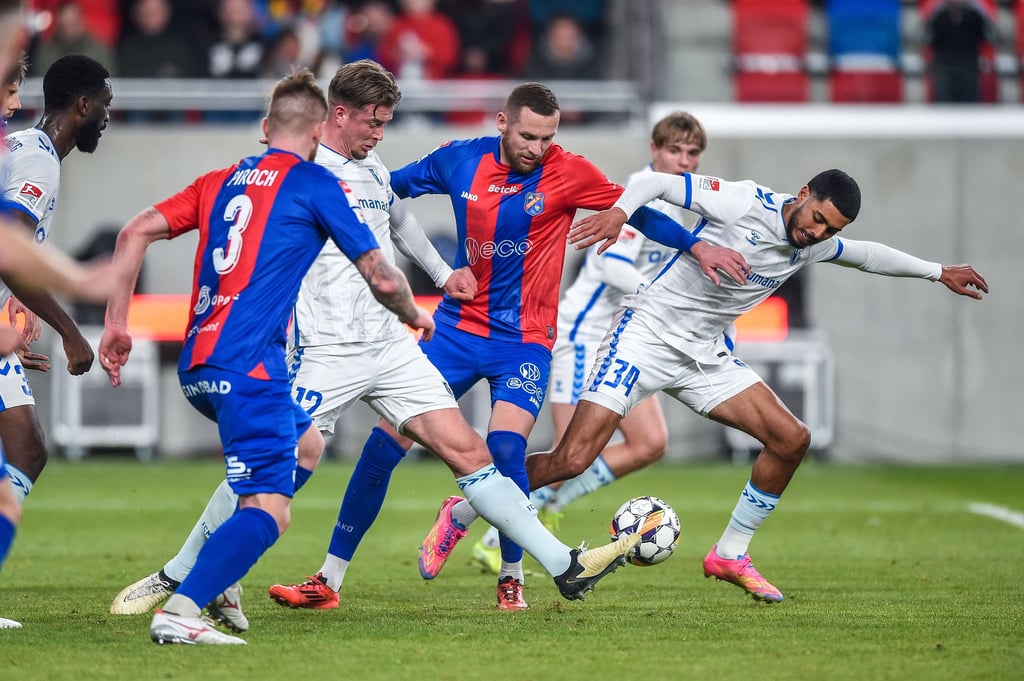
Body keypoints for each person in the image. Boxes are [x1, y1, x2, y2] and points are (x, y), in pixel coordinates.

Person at [108, 59, 642, 624]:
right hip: (329, 349)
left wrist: (441, 277)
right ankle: (181, 572)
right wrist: (416, 309)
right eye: (374, 123)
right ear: (338, 116)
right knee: (282, 460)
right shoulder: (303, 172)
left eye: (386, 123)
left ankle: (565, 565)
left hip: (390, 347)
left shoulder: (368, 165)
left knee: (471, 453)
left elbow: (397, 217)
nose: (380, 134)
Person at [282, 82, 747, 611]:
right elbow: (389, 192)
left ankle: (511, 576)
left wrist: (696, 243)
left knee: (505, 450)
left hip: (524, 340)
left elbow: (635, 211)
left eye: (547, 137)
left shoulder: (569, 171)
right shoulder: (460, 160)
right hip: (457, 330)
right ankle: (329, 579)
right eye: (528, 134)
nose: (537, 147)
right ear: (502, 122)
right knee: (384, 444)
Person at [524, 168, 989, 602]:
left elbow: (867, 255)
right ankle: (468, 507)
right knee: (572, 459)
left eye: (831, 230)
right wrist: (620, 212)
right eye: (818, 219)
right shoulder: (744, 202)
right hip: (644, 337)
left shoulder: (812, 245)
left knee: (791, 439)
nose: (819, 233)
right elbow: (652, 180)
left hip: (702, 355)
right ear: (803, 195)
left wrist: (938, 270)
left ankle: (729, 553)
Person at [469, 111, 710, 573]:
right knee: (569, 454)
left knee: (650, 443)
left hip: (626, 339)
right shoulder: (645, 192)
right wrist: (655, 295)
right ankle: (492, 533)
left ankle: (542, 511)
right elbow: (613, 264)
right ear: (654, 150)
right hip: (583, 333)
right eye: (674, 150)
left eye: (692, 152)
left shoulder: (689, 201)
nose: (683, 160)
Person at [0, 55, 111, 526]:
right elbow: (9, 248)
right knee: (27, 450)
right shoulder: (38, 159)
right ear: (83, 105)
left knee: (26, 449)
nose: (108, 117)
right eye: (106, 105)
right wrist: (68, 330)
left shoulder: (23, 147)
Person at [924, 0, 996, 103]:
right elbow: (925, 37)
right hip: (943, 66)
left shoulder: (976, 9)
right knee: (943, 107)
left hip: (968, 65)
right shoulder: (938, 10)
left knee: (968, 106)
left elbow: (992, 36)